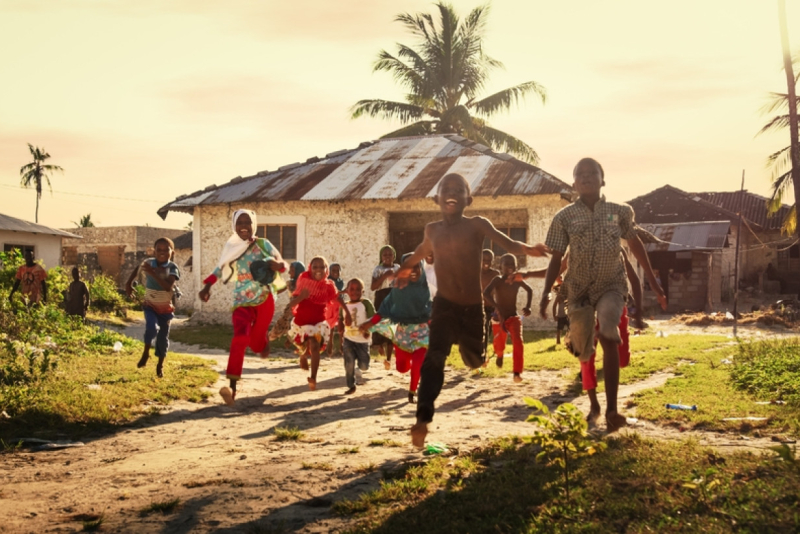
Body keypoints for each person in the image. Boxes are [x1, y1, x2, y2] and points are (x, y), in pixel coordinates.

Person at [394, 173, 549, 447]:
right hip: (444, 306)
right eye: (446, 189)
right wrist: (406, 267)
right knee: (435, 357)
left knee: (474, 361)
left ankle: (477, 357)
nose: (452, 193)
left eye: (458, 190)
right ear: (437, 198)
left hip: (472, 310)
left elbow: (508, 243)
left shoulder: (477, 224)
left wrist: (529, 249)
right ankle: (422, 419)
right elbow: (420, 250)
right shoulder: (432, 229)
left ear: (469, 200)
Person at [539, 158, 665, 432]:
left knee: (609, 332)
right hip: (578, 289)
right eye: (580, 174)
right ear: (574, 183)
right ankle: (594, 403)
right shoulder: (564, 217)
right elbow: (556, 258)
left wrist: (653, 282)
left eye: (592, 173)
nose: (586, 177)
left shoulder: (620, 212)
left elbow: (635, 243)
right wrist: (547, 292)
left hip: (611, 285)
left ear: (603, 179)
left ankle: (612, 410)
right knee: (584, 349)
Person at [199, 210, 286, 406]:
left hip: (264, 298)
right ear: (234, 226)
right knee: (240, 338)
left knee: (255, 344)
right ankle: (232, 387)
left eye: (248, 222)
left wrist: (277, 265)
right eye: (240, 222)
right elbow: (220, 268)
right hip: (241, 301)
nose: (244, 226)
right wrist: (207, 286)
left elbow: (282, 264)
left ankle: (262, 342)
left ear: (254, 224)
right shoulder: (232, 247)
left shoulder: (263, 244)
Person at [582, 249, 643, 424]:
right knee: (586, 358)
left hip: (615, 306)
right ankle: (596, 407)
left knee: (622, 359)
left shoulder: (617, 248)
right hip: (588, 307)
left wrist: (638, 311)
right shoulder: (579, 246)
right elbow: (561, 265)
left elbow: (634, 279)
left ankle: (610, 410)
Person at [362, 253, 431, 403]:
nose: (412, 270)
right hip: (402, 334)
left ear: (421, 267)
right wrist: (370, 323)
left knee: (419, 361)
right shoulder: (397, 290)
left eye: (416, 266)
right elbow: (384, 309)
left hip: (422, 332)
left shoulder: (428, 287)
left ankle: (412, 391)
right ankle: (409, 365)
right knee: (402, 367)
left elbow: (437, 308)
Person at [288, 256, 351, 391]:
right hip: (302, 322)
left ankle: (313, 378)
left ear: (326, 269)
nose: (318, 270)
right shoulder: (304, 281)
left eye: (322, 267)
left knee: (315, 346)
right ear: (310, 269)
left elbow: (337, 298)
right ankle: (303, 355)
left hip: (318, 323)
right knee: (305, 345)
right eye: (315, 267)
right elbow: (291, 304)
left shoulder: (328, 286)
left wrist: (347, 313)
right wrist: (301, 297)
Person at [126, 237, 180, 378]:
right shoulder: (148, 263)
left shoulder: (172, 268)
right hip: (150, 305)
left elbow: (168, 286)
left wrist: (152, 273)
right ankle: (145, 353)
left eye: (166, 250)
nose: (162, 252)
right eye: (159, 250)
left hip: (165, 309)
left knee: (162, 339)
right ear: (154, 251)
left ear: (172, 252)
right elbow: (138, 268)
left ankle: (160, 365)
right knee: (152, 327)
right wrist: (128, 284)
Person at [482, 253, 533, 383]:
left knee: (518, 342)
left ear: (516, 267)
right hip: (499, 319)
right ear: (500, 266)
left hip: (513, 317)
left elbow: (529, 290)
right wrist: (496, 307)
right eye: (506, 264)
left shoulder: (517, 280)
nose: (509, 266)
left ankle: (517, 372)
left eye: (512, 264)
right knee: (499, 345)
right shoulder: (497, 280)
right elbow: (486, 293)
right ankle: (499, 355)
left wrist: (528, 306)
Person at [340, 278, 375, 395]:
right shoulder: (344, 305)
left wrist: (368, 329)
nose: (354, 292)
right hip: (348, 339)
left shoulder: (365, 303)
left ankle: (359, 369)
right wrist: (341, 337)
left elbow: (374, 318)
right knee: (349, 363)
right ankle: (351, 385)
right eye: (351, 289)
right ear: (347, 290)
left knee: (364, 366)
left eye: (358, 289)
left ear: (363, 291)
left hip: (362, 341)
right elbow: (341, 321)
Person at [371, 245, 399, 370]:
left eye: (390, 254)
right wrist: (384, 276)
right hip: (381, 297)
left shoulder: (397, 268)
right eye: (385, 254)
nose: (387, 256)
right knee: (380, 323)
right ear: (381, 257)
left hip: (394, 297)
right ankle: (379, 345)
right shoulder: (378, 269)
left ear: (394, 256)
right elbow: (373, 287)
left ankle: (388, 359)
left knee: (392, 325)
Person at [269, 261, 305, 347]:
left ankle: (292, 340)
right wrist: (269, 293)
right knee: (278, 328)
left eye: (291, 270)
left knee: (297, 330)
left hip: (300, 312)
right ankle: (264, 340)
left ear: (298, 271)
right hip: (289, 311)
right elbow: (279, 290)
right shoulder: (290, 283)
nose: (289, 273)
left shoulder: (305, 284)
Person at [480, 249, 500, 361]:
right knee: (483, 330)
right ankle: (481, 353)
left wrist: (498, 306)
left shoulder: (495, 274)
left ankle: (484, 351)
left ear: (493, 261)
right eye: (484, 259)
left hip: (490, 307)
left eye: (489, 260)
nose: (486, 262)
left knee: (488, 330)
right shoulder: (475, 273)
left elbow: (499, 291)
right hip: (478, 307)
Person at [326, 263, 346, 358]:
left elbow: (340, 294)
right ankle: (330, 344)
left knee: (341, 324)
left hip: (339, 304)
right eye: (333, 270)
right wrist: (345, 291)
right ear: (329, 271)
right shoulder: (328, 281)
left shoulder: (340, 282)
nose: (335, 272)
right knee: (331, 326)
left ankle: (342, 344)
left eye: (337, 270)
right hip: (331, 305)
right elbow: (334, 292)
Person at [552, 277, 568, 345]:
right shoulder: (559, 297)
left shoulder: (568, 296)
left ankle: (568, 340)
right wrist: (554, 315)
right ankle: (558, 342)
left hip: (568, 316)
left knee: (570, 329)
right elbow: (554, 306)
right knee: (559, 329)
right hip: (561, 316)